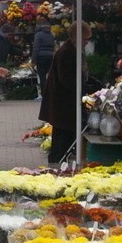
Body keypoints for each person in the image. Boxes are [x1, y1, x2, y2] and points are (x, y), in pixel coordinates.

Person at [39, 21, 92, 165]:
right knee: (62, 141)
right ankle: (56, 166)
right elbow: (66, 78)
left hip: (65, 105)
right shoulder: (67, 52)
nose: (87, 42)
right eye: (86, 39)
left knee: (64, 139)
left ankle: (59, 164)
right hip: (63, 105)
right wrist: (85, 88)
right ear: (77, 37)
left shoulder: (72, 50)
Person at [32, 16, 55, 96]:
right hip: (50, 56)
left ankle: (44, 93)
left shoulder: (38, 35)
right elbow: (53, 47)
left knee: (42, 75)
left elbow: (35, 48)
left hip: (41, 57)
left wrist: (33, 61)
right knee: (49, 75)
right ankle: (51, 92)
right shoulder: (51, 35)